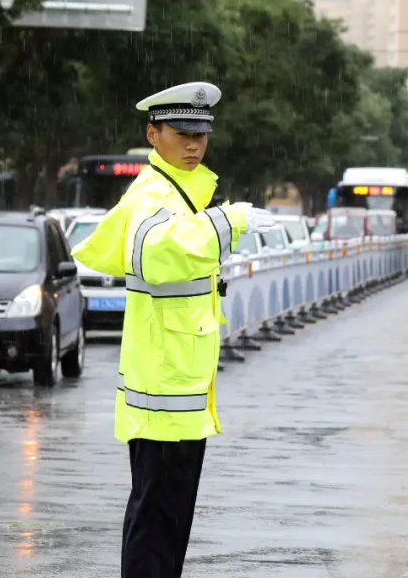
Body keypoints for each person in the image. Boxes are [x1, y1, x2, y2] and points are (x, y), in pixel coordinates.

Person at [71, 82, 277, 578]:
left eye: (200, 135)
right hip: (162, 396)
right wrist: (229, 221)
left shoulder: (181, 195)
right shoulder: (154, 193)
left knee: (161, 521)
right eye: (181, 133)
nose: (193, 145)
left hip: (175, 393)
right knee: (158, 525)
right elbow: (155, 251)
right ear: (153, 134)